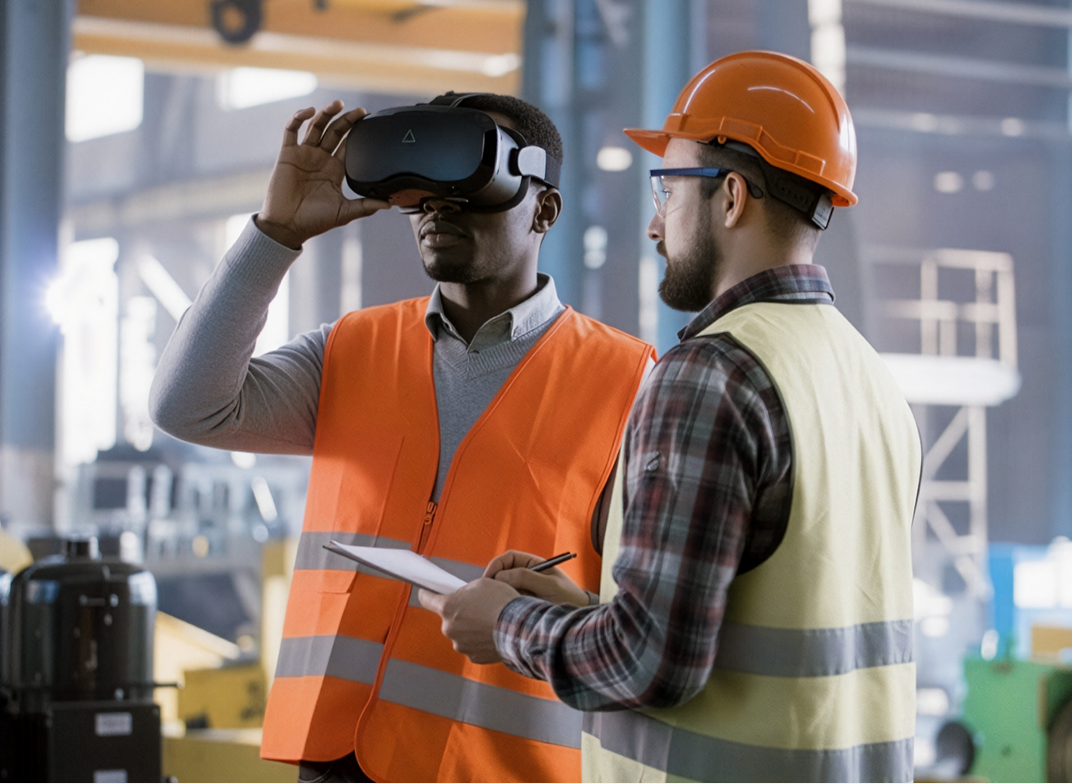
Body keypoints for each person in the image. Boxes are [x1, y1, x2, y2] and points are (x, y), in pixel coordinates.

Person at [420, 51, 924, 783]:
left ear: (729, 197)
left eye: (667, 191)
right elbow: (769, 614)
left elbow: (646, 663)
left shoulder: (713, 374)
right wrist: (589, 610)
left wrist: (503, 623)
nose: (656, 227)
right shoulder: (867, 377)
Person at [149, 93, 654, 783]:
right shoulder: (352, 349)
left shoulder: (631, 383)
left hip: (501, 768)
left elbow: (649, 621)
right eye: (421, 190)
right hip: (335, 757)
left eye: (469, 181)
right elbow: (187, 407)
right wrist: (275, 236)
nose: (437, 207)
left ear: (544, 209)